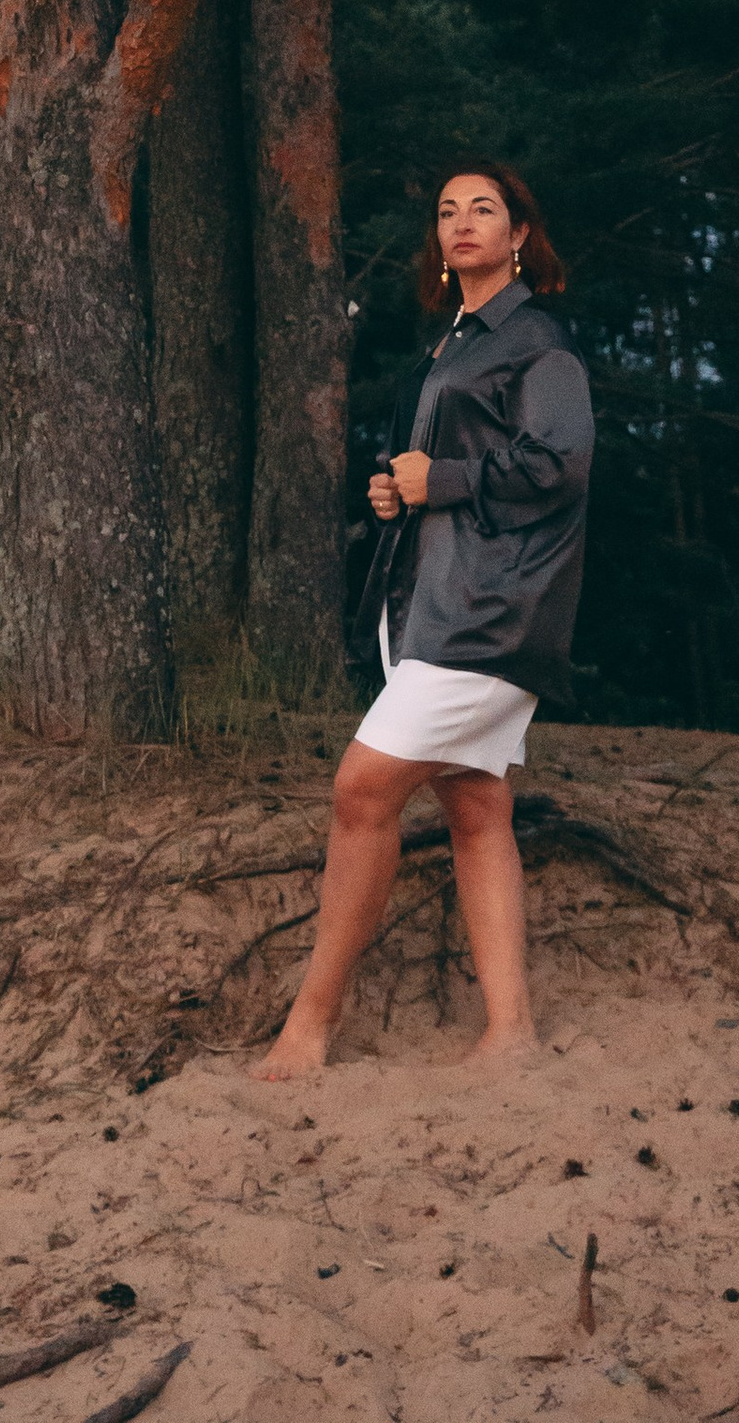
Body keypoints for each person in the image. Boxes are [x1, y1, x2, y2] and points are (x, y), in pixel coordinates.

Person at [255, 161, 592, 1078]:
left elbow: (561, 463)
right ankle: (511, 1034)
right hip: (430, 601)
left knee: (362, 790)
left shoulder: (536, 341)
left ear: (520, 234)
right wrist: (398, 494)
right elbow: (446, 470)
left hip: (489, 612)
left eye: (484, 208)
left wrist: (438, 479)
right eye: (447, 211)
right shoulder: (450, 346)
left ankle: (311, 1024)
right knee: (477, 809)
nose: (461, 222)